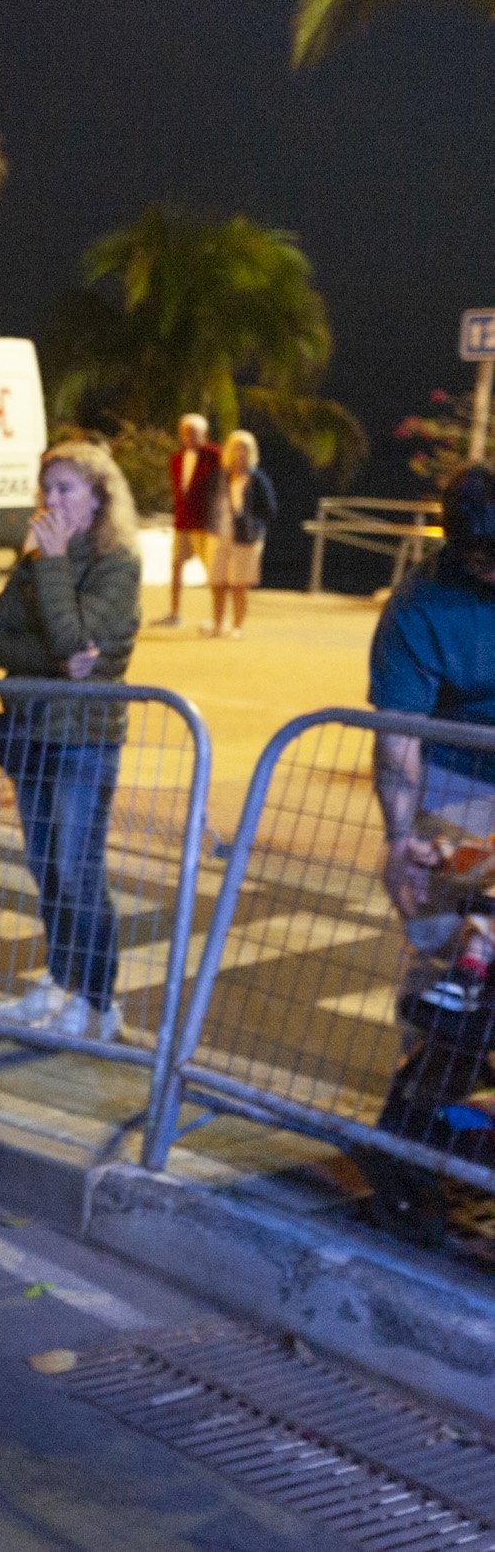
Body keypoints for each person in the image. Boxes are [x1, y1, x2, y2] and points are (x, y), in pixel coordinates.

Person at [363, 464, 495, 1242]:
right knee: (452, 983)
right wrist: (402, 837)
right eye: (480, 557)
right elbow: (399, 743)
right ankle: (415, 1140)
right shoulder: (420, 608)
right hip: (457, 788)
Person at [0, 441, 143, 1041]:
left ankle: (98, 999)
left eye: (66, 488)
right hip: (30, 732)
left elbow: (80, 640)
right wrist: (55, 659)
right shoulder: (32, 561)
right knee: (46, 867)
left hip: (83, 739)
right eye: (46, 488)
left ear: (99, 499)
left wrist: (50, 565)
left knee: (78, 869)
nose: (51, 500)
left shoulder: (116, 564)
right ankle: (61, 976)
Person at [204, 429, 275, 638]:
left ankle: (237, 625)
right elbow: (210, 501)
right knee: (217, 582)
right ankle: (217, 624)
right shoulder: (220, 476)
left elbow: (269, 509)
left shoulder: (257, 479)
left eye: (244, 449)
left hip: (245, 538)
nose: (239, 454)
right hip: (219, 534)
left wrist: (255, 527)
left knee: (238, 584)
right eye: (235, 449)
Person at [156, 413, 221, 627]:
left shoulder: (216, 456)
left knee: (213, 570)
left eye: (193, 432)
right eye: (184, 432)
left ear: (205, 434)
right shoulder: (177, 458)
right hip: (183, 521)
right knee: (176, 565)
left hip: (206, 524)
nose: (188, 436)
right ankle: (175, 614)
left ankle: (217, 617)